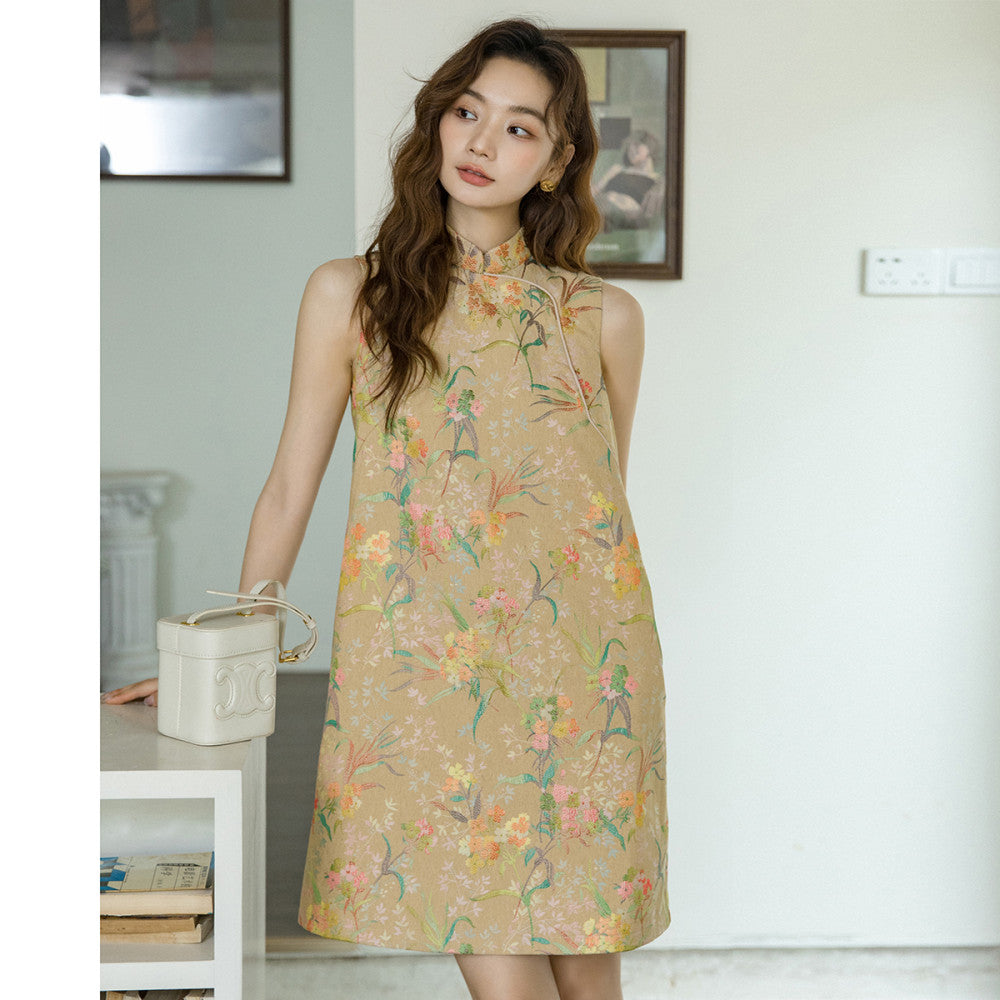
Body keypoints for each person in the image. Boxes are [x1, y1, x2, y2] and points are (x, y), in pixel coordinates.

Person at [102, 19, 669, 1000]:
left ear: (555, 161)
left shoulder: (603, 316)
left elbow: (597, 509)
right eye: (466, 112)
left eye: (519, 127)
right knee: (505, 970)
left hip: (582, 677)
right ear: (436, 123)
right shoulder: (349, 296)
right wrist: (223, 660)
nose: (482, 143)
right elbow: (290, 487)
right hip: (426, 679)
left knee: (587, 965)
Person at [592, 130, 663, 230]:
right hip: (604, 210)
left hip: (628, 219)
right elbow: (595, 191)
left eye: (636, 145)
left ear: (650, 148)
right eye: (629, 147)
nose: (631, 150)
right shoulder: (617, 169)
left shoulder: (658, 181)